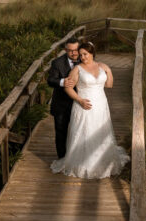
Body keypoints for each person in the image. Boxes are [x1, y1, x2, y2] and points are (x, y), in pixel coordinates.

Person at [50, 42, 129, 180]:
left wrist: (109, 71)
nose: (83, 57)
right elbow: (68, 88)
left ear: (92, 53)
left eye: (85, 54)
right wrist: (80, 100)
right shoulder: (77, 69)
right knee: (85, 132)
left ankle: (102, 160)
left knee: (100, 130)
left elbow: (109, 85)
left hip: (101, 104)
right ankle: (83, 163)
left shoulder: (101, 66)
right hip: (84, 104)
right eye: (81, 55)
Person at [47, 37, 81, 159]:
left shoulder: (85, 59)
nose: (74, 53)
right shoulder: (57, 63)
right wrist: (62, 82)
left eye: (76, 50)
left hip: (81, 104)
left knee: (80, 132)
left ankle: (78, 158)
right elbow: (50, 80)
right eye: (70, 50)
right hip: (61, 104)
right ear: (65, 50)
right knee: (61, 132)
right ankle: (62, 159)